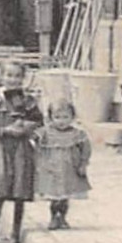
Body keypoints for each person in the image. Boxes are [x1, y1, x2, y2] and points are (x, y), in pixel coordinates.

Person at [0, 60, 42, 243]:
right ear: (2, 76)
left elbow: (38, 120)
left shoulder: (29, 100)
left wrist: (26, 126)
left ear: (23, 78)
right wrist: (5, 130)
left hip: (22, 150)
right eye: (9, 75)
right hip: (2, 149)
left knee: (19, 192)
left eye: (17, 76)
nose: (13, 80)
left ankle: (15, 234)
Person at [35, 98, 92, 230]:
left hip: (70, 170)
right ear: (50, 118)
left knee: (65, 197)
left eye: (66, 117)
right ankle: (54, 217)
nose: (61, 121)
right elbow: (33, 140)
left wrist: (83, 164)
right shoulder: (45, 132)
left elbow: (86, 149)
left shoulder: (78, 134)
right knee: (54, 197)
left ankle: (63, 218)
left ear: (72, 117)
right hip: (51, 169)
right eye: (57, 117)